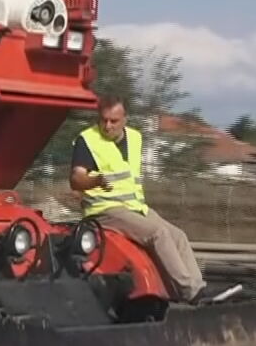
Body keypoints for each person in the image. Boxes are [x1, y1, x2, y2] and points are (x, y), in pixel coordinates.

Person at [69, 97, 243, 304]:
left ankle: (199, 289)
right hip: (105, 210)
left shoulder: (135, 138)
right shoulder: (87, 140)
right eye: (103, 120)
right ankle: (191, 292)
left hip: (134, 207)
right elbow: (76, 179)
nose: (107, 126)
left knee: (178, 236)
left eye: (113, 121)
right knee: (157, 233)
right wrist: (94, 180)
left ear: (125, 119)